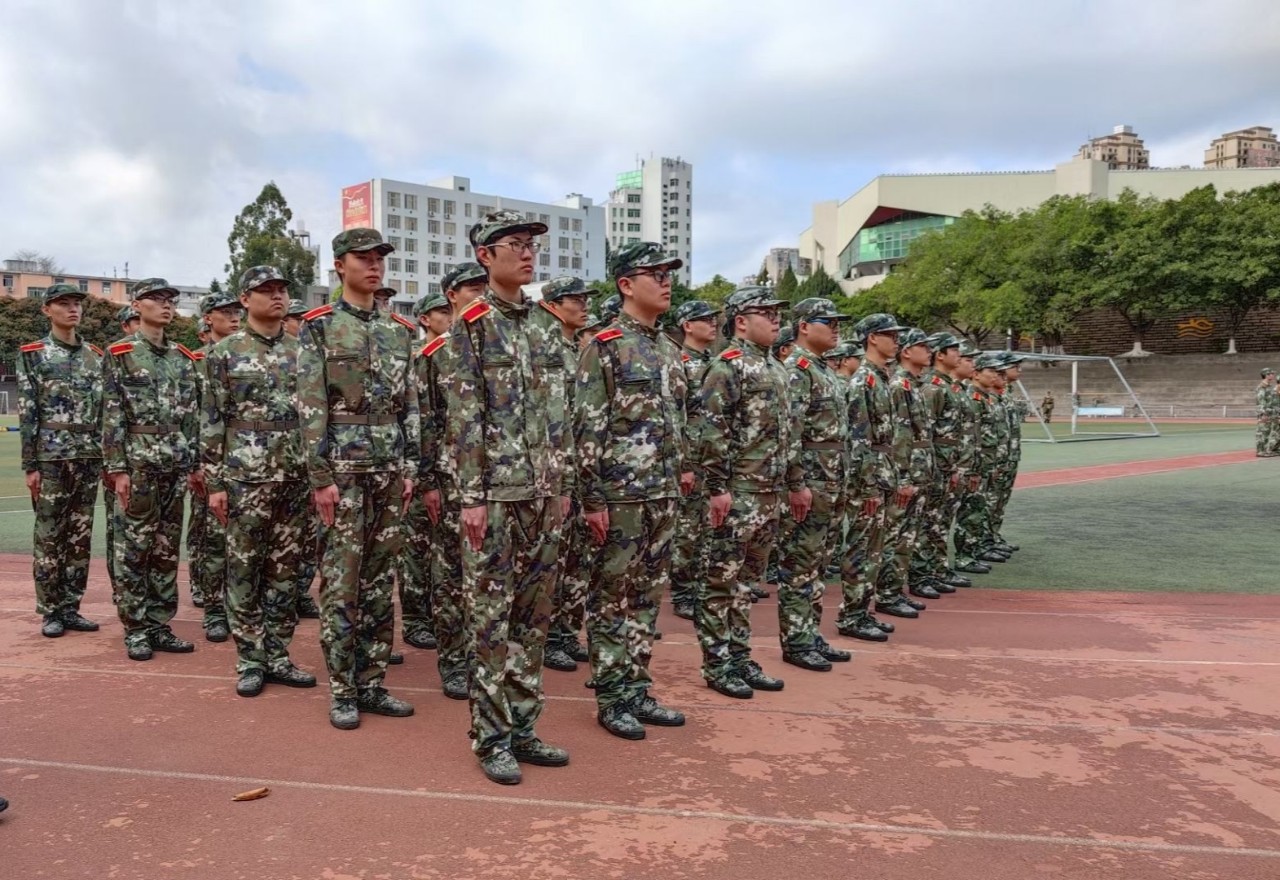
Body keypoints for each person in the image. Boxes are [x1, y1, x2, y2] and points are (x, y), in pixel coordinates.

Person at [443, 210, 572, 784]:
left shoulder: (547, 326)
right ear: (484, 257)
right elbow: (465, 417)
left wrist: (563, 486)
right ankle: (491, 737)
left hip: (545, 493)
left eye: (531, 246)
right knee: (491, 620)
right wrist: (471, 496)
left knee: (534, 617)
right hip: (494, 496)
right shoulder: (468, 324)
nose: (527, 253)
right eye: (514, 245)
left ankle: (524, 725)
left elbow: (560, 416)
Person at [297, 228, 420, 731]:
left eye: (379, 259)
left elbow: (410, 402)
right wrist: (320, 475)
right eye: (362, 259)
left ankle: (372, 682)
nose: (374, 267)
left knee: (377, 582)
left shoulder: (399, 331)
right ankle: (343, 689)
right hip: (343, 473)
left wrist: (411, 465)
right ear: (340, 266)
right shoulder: (320, 327)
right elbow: (311, 403)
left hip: (390, 469)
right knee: (342, 582)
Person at [575, 242, 688, 739]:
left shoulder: (669, 348)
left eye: (669, 274)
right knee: (610, 598)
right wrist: (593, 499)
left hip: (661, 493)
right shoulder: (603, 345)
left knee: (646, 597)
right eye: (654, 273)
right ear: (625, 284)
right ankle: (612, 695)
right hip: (619, 497)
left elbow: (678, 422)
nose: (666, 281)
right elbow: (586, 429)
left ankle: (638, 687)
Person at [202, 266, 317, 697]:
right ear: (244, 299)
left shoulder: (304, 351)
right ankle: (250, 659)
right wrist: (214, 481)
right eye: (266, 290)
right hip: (245, 479)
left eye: (282, 290)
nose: (277, 296)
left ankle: (279, 653)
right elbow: (212, 419)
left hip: (295, 477)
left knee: (286, 570)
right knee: (245, 569)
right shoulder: (224, 353)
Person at [696, 286, 796, 699]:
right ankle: (718, 664)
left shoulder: (775, 367)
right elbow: (712, 433)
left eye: (777, 312)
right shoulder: (728, 367)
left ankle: (739, 656)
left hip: (769, 493)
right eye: (766, 312)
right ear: (741, 320)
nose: (776, 319)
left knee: (747, 583)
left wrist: (792, 484)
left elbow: (789, 435)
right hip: (738, 493)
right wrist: (717, 488)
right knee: (721, 580)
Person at [102, 278, 202, 661]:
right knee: (133, 548)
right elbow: (111, 414)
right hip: (139, 464)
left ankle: (160, 624)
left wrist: (193, 465)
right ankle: (135, 628)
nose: (165, 306)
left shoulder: (182, 357)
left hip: (175, 464)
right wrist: (117, 468)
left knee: (165, 550)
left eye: (170, 300)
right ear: (137, 305)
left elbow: (191, 415)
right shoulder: (121, 353)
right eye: (156, 299)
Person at [413, 263, 488, 701]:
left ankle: (487, 658)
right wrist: (428, 482)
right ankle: (454, 661)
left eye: (483, 286)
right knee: (451, 575)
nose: (478, 294)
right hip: (451, 478)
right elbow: (423, 421)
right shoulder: (435, 354)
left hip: (499, 480)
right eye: (469, 288)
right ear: (451, 296)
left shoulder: (501, 341)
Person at [17, 282, 104, 638]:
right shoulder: (33, 353)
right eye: (64, 303)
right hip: (51, 456)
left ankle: (71, 606)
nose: (73, 309)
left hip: (88, 455)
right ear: (46, 310)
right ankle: (50, 609)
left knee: (80, 536)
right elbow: (27, 410)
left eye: (77, 304)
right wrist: (30, 464)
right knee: (50, 535)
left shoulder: (95, 355)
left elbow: (103, 411)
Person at [773, 298, 855, 672]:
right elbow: (789, 433)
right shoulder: (797, 370)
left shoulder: (823, 370)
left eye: (839, 322)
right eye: (829, 321)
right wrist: (796, 484)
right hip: (811, 479)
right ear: (804, 326)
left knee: (819, 563)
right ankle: (796, 639)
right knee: (800, 562)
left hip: (832, 478)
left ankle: (810, 632)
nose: (837, 327)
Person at [526, 275, 596, 673]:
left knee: (577, 559)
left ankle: (566, 632)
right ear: (552, 304)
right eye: (575, 298)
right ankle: (546, 636)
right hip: (552, 471)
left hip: (580, 467)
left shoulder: (580, 348)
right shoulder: (541, 346)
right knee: (548, 561)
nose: (584, 304)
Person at [836, 313, 913, 634]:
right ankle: (851, 615)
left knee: (874, 549)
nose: (896, 340)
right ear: (872, 338)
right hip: (867, 479)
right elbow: (857, 440)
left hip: (882, 473)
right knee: (861, 548)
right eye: (890, 335)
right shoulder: (863, 381)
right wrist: (866, 486)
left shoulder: (881, 378)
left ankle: (862, 611)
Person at [191, 292, 243, 643]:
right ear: (208, 318)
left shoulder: (247, 354)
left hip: (248, 461)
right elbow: (195, 415)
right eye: (225, 313)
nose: (234, 317)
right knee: (211, 538)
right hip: (211, 461)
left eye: (236, 311)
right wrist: (199, 463)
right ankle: (214, 610)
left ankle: (242, 607)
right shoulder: (196, 361)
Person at [877, 328, 939, 607]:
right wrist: (903, 477)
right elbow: (900, 436)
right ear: (907, 352)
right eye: (923, 346)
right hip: (906, 472)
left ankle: (896, 590)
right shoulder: (899, 385)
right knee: (896, 536)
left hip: (919, 469)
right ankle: (887, 593)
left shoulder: (913, 385)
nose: (929, 352)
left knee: (909, 535)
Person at [668, 299, 720, 622]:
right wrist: (685, 464)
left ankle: (699, 588)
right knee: (687, 531)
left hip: (711, 461)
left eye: (715, 319)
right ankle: (683, 592)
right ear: (688, 325)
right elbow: (678, 416)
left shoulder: (713, 363)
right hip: (691, 459)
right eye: (705, 319)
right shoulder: (680, 362)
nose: (713, 324)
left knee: (707, 529)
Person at [913, 333, 978, 592]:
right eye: (954, 351)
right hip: (936, 465)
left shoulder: (950, 386)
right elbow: (925, 433)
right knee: (928, 522)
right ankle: (922, 574)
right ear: (940, 355)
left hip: (949, 464)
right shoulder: (933, 388)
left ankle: (936, 569)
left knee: (940, 521)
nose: (960, 356)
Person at [103, 305, 140, 599]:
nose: (140, 325)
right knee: (119, 526)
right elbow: (107, 410)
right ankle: (121, 586)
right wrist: (112, 460)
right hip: (117, 455)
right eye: (135, 321)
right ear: (125, 326)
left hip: (148, 457)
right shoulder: (116, 355)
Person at [1256, 370, 1277, 457]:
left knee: (1267, 431)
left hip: (1269, 411)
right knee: (1262, 431)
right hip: (1264, 412)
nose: (1273, 375)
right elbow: (1261, 400)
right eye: (1271, 374)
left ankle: (1264, 450)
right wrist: (1263, 413)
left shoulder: (1269, 386)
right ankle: (1260, 451)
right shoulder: (1262, 386)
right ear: (1266, 375)